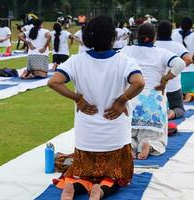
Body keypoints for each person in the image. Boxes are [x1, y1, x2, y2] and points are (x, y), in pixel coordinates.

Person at [48, 15, 145, 200]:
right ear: (112, 36)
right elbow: (139, 82)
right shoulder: (124, 61)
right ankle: (100, 190)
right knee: (116, 175)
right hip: (114, 135)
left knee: (83, 173)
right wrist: (121, 100)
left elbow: (54, 82)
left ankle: (73, 187)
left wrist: (77, 98)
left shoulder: (76, 61)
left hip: (87, 137)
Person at [121, 23, 186, 159]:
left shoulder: (127, 50)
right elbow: (181, 63)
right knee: (154, 135)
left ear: (137, 36)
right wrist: (165, 79)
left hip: (132, 100)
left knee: (129, 133)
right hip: (154, 102)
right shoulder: (161, 53)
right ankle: (149, 144)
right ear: (154, 37)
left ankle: (131, 147)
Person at [155, 21, 193, 120]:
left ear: (157, 32)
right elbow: (188, 59)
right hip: (173, 85)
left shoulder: (153, 45)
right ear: (171, 32)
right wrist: (174, 72)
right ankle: (171, 113)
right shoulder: (177, 45)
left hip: (154, 86)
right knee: (178, 108)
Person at [172, 17, 194, 103]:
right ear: (192, 26)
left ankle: (181, 94)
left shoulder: (173, 34)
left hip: (177, 71)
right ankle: (189, 95)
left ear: (180, 25)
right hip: (193, 70)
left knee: (176, 89)